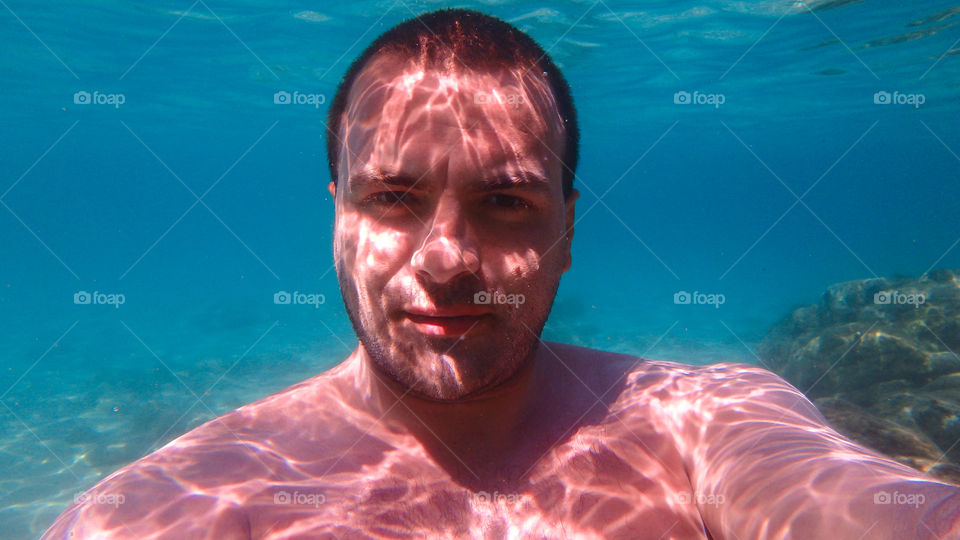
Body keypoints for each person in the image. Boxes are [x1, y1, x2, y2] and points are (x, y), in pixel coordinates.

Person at [44, 8, 960, 539]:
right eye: (393, 199)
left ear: (568, 229)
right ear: (337, 214)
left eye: (507, 202)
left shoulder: (702, 425)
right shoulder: (190, 502)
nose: (446, 260)